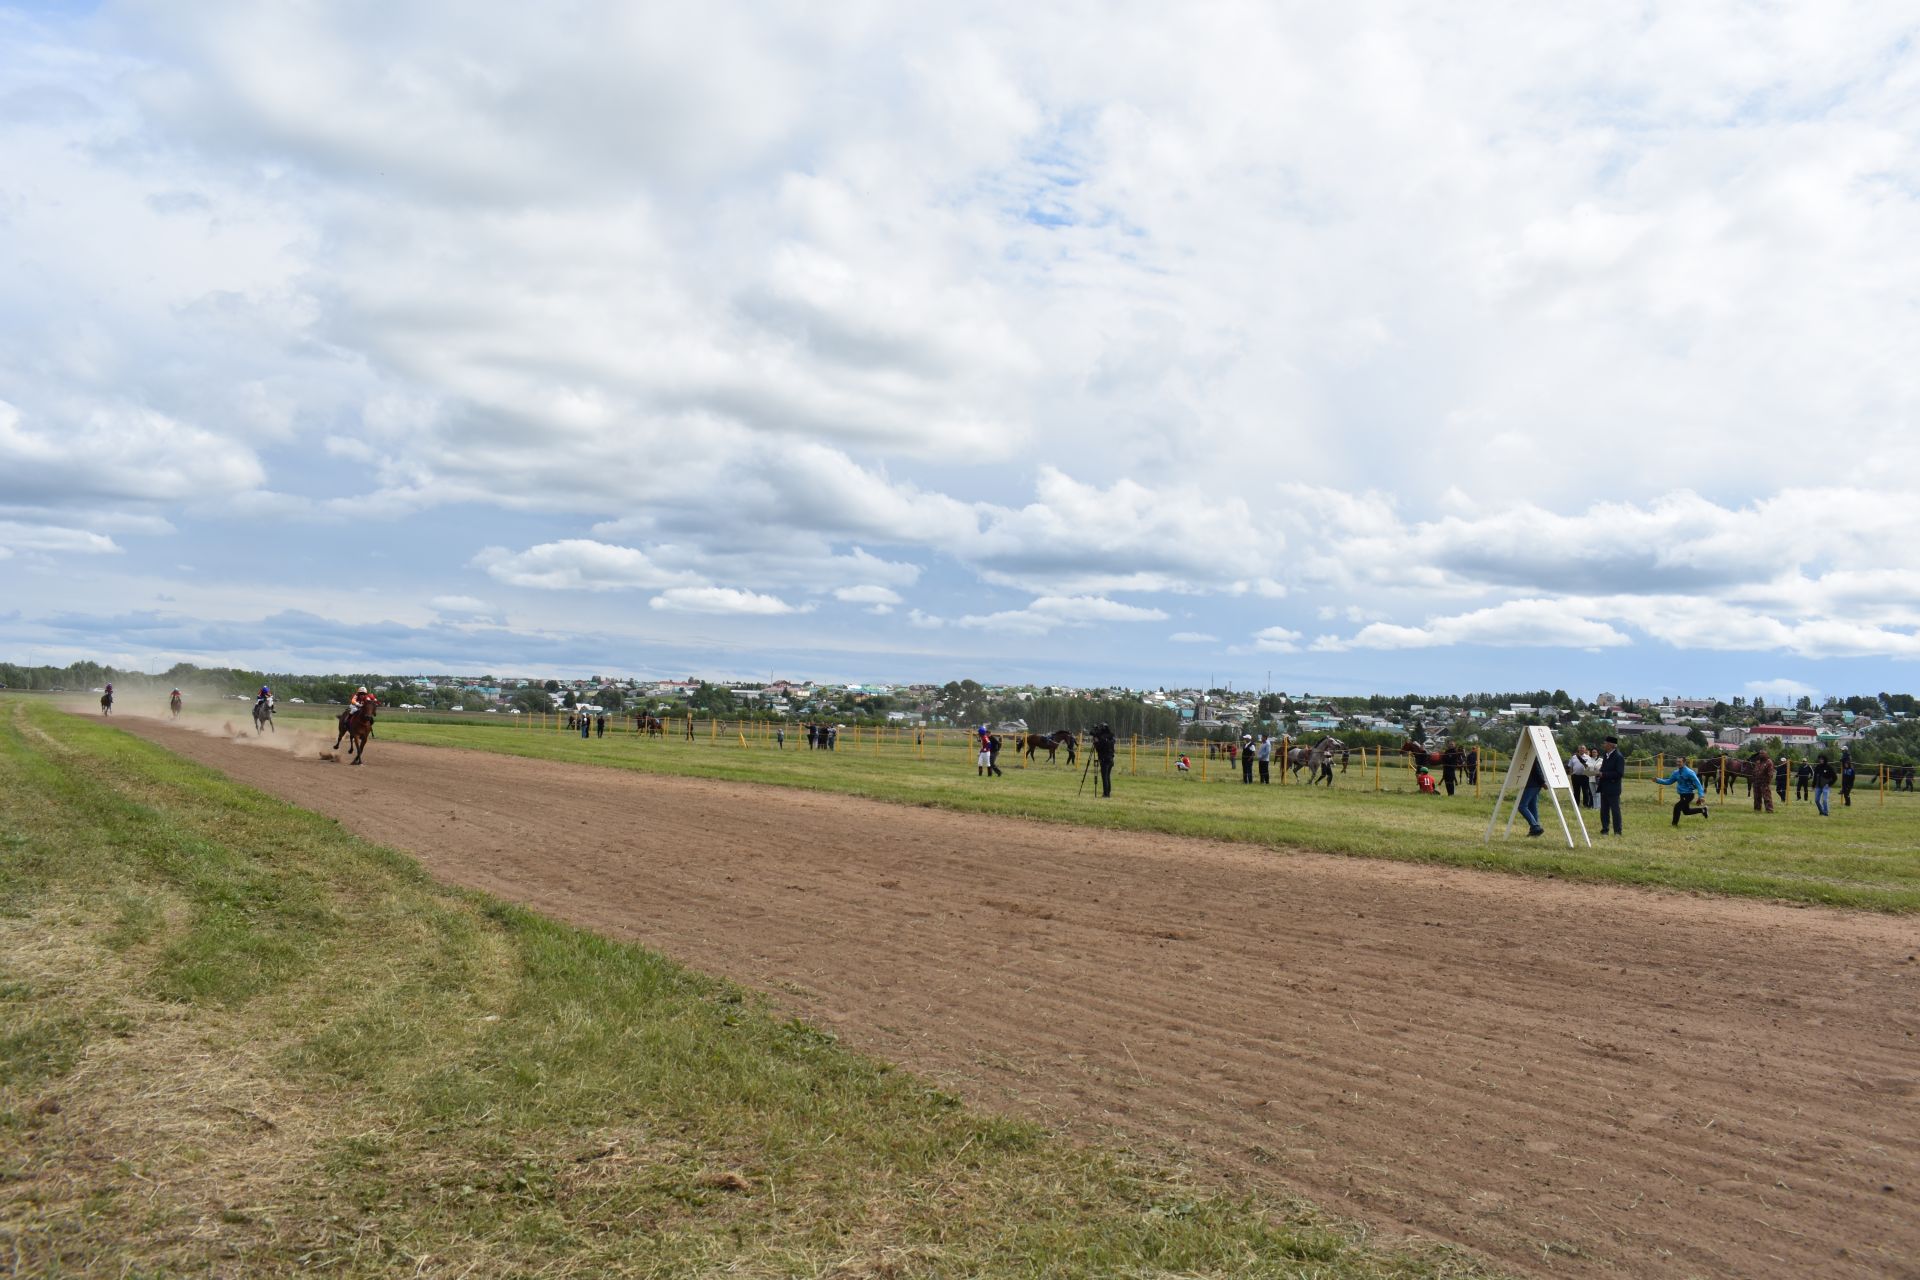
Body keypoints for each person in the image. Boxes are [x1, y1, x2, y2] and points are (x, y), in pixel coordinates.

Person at [1654, 757, 1710, 826]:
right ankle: (1703, 810)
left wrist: (1701, 796)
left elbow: (1698, 784)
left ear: (1684, 762)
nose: (1678, 763)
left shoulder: (1690, 772)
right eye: (1677, 762)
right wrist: (1658, 780)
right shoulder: (1676, 773)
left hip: (1688, 795)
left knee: (1677, 807)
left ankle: (1674, 825)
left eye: (1679, 762)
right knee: (1686, 811)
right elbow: (1669, 781)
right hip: (1682, 795)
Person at [1596, 735, 1626, 836]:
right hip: (1604, 786)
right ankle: (1605, 829)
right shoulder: (1606, 755)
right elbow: (1604, 768)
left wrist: (1604, 774)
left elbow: (1619, 773)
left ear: (1611, 745)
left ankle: (1617, 831)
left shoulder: (1619, 757)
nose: (1603, 745)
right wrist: (1597, 772)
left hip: (1613, 788)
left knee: (1615, 811)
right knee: (1604, 810)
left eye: (1605, 743)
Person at [1516, 755, 1546, 836]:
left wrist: (1542, 782)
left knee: (1522, 806)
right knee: (1532, 807)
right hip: (1535, 784)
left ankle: (1535, 826)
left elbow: (1536, 769)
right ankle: (1534, 831)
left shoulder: (1532, 755)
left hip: (1531, 784)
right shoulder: (1537, 754)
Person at [1091, 722, 1117, 798]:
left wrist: (1095, 742)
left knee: (1104, 777)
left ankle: (1106, 794)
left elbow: (1099, 748)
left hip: (1104, 759)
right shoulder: (1111, 737)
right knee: (1107, 776)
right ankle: (1108, 792)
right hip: (1111, 759)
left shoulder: (1102, 738)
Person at [1749, 748, 1774, 813]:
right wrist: (1753, 779)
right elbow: (1754, 771)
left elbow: (1770, 773)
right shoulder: (1758, 762)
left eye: (1762, 753)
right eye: (1760, 753)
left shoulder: (1769, 762)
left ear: (1766, 754)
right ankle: (1757, 809)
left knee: (1767, 797)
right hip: (1756, 782)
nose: (1761, 755)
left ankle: (1769, 810)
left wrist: (1768, 781)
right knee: (1757, 797)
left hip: (1764, 783)